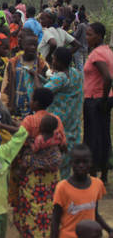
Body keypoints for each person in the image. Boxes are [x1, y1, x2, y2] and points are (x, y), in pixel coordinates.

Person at [11, 88, 65, 238]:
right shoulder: (56, 120)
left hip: (33, 175)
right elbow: (63, 145)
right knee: (50, 213)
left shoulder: (29, 120)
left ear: (36, 102)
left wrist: (18, 165)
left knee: (29, 214)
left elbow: (18, 143)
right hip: (52, 177)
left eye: (32, 99)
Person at [45, 146, 112, 238]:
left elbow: (94, 214)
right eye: (77, 162)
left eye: (85, 162)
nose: (81, 165)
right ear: (71, 163)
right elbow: (55, 222)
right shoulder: (62, 188)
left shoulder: (97, 185)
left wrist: (109, 230)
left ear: (90, 163)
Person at [36, 47, 84, 178]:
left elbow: (43, 94)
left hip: (59, 125)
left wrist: (35, 77)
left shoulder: (60, 78)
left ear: (60, 62)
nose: (52, 61)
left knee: (58, 162)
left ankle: (58, 189)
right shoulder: (76, 73)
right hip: (72, 125)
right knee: (67, 161)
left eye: (54, 59)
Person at [82, 22, 113, 184]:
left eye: (90, 35)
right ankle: (105, 175)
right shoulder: (107, 51)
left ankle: (93, 175)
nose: (87, 38)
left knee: (93, 137)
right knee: (104, 135)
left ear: (99, 36)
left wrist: (102, 99)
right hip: (103, 98)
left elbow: (107, 77)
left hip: (95, 99)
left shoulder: (97, 54)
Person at [1, 31, 48, 119]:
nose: (33, 48)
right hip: (16, 111)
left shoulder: (41, 64)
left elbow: (47, 85)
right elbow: (5, 86)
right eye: (29, 45)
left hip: (35, 114)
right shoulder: (13, 63)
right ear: (23, 45)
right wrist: (5, 107)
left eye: (35, 45)